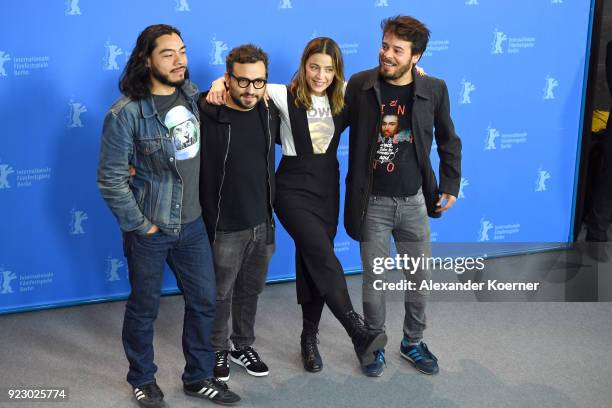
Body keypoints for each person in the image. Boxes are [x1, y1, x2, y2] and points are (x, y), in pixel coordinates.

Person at [207, 37, 387, 373]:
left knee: (313, 260)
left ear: (337, 71)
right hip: (290, 187)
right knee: (320, 252)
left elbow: (389, 82)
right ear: (304, 65)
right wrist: (219, 81)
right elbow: (242, 83)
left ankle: (308, 337)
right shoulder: (280, 93)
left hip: (327, 188)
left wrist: (417, 72)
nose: (321, 75)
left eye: (329, 69)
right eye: (314, 66)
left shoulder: (346, 93)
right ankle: (355, 329)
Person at [96, 24, 239, 407]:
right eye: (168, 54)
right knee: (145, 308)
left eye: (183, 51)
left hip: (192, 225)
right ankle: (142, 379)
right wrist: (143, 225)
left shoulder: (191, 96)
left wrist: (223, 82)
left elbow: (228, 92)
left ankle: (197, 377)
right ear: (146, 59)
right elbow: (111, 179)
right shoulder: (126, 115)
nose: (179, 61)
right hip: (151, 228)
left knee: (204, 302)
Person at [343, 15, 462, 377]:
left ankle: (412, 342)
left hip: (414, 202)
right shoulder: (361, 84)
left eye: (397, 49)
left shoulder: (434, 89)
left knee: (420, 278)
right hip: (372, 203)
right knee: (374, 282)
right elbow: (323, 116)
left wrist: (450, 184)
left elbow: (448, 139)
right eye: (385, 45)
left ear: (416, 56)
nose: (387, 54)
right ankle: (374, 343)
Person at [199, 44, 279, 382]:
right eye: (242, 81)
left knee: (251, 290)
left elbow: (317, 90)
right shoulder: (207, 109)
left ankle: (241, 344)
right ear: (228, 79)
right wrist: (213, 85)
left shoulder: (270, 110)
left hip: (262, 221)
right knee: (220, 292)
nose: (250, 89)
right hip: (224, 224)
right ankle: (217, 348)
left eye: (258, 82)